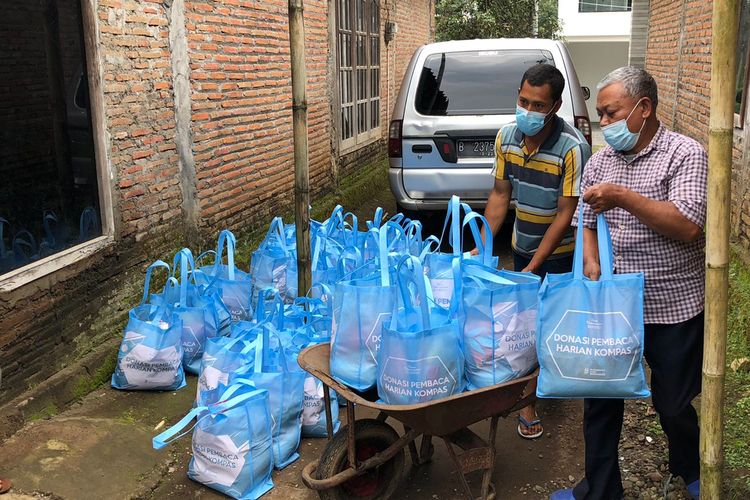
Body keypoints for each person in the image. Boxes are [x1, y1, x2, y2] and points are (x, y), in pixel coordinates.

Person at [550, 66, 706, 500]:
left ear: (644, 107)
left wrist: (622, 196)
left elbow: (688, 225)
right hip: (611, 308)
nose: (604, 124)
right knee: (599, 402)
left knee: (673, 403)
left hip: (670, 304)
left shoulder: (685, 154)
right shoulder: (599, 161)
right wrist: (591, 260)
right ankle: (598, 490)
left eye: (610, 113)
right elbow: (585, 219)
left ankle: (688, 467)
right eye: (600, 115)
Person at [479, 63, 591, 439]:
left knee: (545, 326)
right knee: (525, 325)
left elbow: (565, 214)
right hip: (522, 246)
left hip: (560, 253)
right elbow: (499, 196)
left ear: (555, 106)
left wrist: (537, 265)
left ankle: (534, 393)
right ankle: (528, 394)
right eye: (523, 100)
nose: (527, 110)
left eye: (537, 104)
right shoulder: (506, 138)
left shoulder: (573, 148)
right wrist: (478, 248)